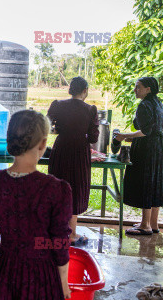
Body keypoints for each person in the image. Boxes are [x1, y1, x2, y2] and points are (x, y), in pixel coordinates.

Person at [0, 110, 72, 300]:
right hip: (42, 278)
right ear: (43, 143)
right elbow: (60, 243)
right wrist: (63, 283)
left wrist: (5, 249)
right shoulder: (56, 189)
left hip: (3, 273)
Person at [47, 76, 99, 245]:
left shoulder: (58, 105)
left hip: (61, 149)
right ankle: (71, 234)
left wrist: (58, 129)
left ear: (70, 90)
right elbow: (93, 137)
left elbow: (46, 125)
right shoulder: (90, 110)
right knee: (75, 190)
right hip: (79, 151)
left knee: (58, 187)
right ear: (85, 91)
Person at [115, 77, 163, 235]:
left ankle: (145, 225)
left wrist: (123, 136)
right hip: (158, 147)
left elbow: (145, 132)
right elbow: (155, 129)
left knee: (145, 182)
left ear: (148, 89)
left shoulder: (144, 105)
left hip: (146, 149)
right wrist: (130, 137)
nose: (135, 90)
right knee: (155, 183)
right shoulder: (158, 103)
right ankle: (153, 223)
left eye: (138, 87)